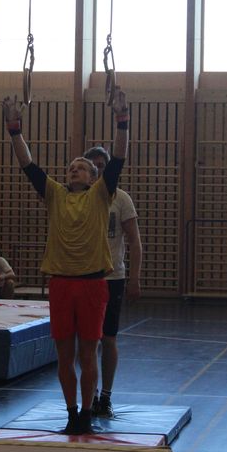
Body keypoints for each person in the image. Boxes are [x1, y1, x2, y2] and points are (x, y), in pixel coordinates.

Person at [3, 87, 129, 435]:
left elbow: (118, 157)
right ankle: (72, 413)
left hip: (92, 284)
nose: (74, 170)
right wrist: (14, 128)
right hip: (60, 284)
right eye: (71, 168)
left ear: (93, 177)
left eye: (82, 168)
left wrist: (122, 119)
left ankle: (87, 413)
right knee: (64, 356)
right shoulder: (55, 194)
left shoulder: (102, 195)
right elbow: (27, 164)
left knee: (88, 354)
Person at [82, 145, 142, 418]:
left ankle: (105, 396)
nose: (98, 170)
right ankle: (90, 395)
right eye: (93, 165)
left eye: (102, 165)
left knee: (107, 338)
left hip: (112, 277)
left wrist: (134, 278)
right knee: (86, 341)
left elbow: (135, 241)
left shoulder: (121, 199)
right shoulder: (78, 198)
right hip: (83, 277)